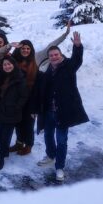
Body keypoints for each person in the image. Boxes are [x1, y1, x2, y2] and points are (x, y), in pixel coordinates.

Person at [10, 21, 72, 155]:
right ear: (19, 49)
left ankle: (29, 145)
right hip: (17, 96)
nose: (25, 50)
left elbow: (52, 46)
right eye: (23, 48)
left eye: (27, 48)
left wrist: (66, 34)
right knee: (18, 121)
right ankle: (19, 142)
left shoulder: (36, 57)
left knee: (28, 123)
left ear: (31, 49)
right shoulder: (15, 60)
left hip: (32, 96)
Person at [36, 31, 88, 181]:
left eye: (56, 54)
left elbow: (77, 60)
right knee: (47, 135)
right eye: (51, 55)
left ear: (60, 55)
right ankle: (51, 155)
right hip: (48, 111)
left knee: (62, 140)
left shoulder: (68, 66)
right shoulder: (46, 71)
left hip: (63, 111)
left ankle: (59, 167)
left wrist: (77, 46)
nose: (53, 57)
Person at [0, 56, 27, 171]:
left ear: (13, 64)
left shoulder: (19, 77)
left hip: (12, 111)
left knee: (6, 135)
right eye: (4, 65)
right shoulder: (1, 76)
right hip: (1, 109)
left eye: (9, 64)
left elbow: (23, 96)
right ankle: (3, 151)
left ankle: (2, 157)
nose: (7, 66)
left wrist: (16, 108)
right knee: (1, 133)